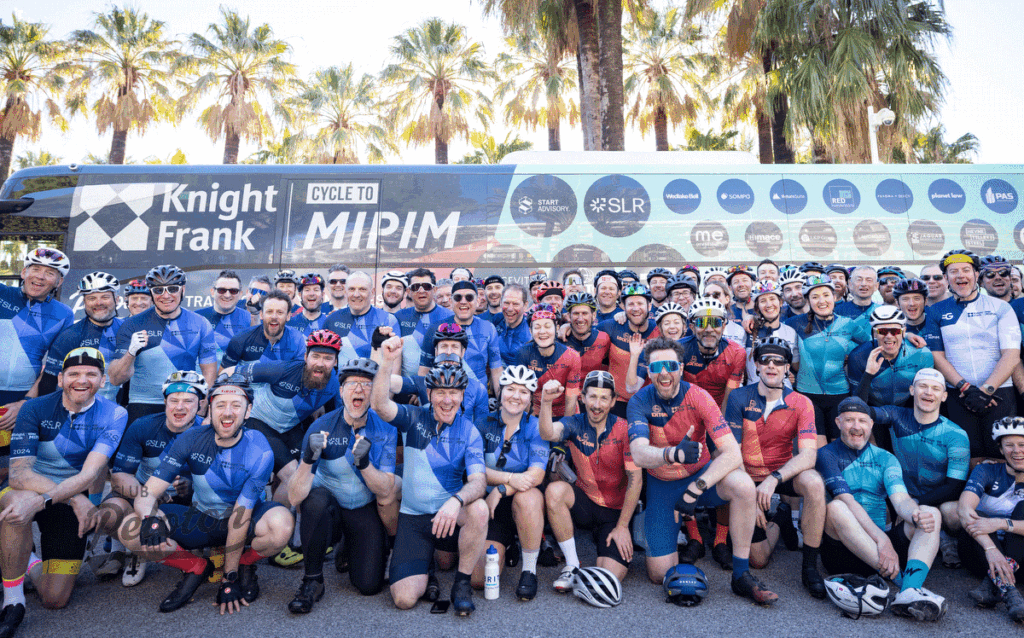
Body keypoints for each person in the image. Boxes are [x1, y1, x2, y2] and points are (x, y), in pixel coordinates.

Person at [117, 374, 293, 615]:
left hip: (244, 520)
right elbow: (148, 492)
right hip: (203, 517)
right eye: (220, 405)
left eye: (236, 405)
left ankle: (244, 563)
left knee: (281, 525)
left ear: (248, 411)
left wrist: (229, 577)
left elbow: (240, 518)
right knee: (129, 528)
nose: (227, 413)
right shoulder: (190, 438)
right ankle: (195, 566)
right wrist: (151, 518)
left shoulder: (259, 449)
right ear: (209, 408)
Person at [627, 337, 779, 605]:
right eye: (656, 367)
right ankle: (674, 532)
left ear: (681, 368)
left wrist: (696, 488)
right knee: (659, 574)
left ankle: (741, 575)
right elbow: (638, 454)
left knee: (743, 484)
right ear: (648, 371)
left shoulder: (698, 396)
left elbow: (732, 453)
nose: (664, 372)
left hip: (700, 477)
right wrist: (672, 454)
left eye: (670, 365)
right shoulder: (639, 400)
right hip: (663, 485)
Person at [0, 347, 126, 636]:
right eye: (73, 374)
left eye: (91, 374)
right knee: (18, 507)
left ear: (103, 380)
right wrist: (75, 498)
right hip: (30, 490)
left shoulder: (115, 413)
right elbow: (19, 474)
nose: (81, 380)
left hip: (68, 496)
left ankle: (29, 560)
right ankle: (13, 601)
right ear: (60, 379)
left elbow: (90, 474)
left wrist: (81, 500)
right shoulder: (35, 407)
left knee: (54, 598)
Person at [372, 337, 489, 615]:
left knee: (479, 510)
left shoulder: (469, 431)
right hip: (414, 518)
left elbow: (479, 481)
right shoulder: (413, 417)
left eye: (454, 393)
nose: (447, 400)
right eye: (440, 392)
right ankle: (426, 565)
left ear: (462, 395)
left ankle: (461, 583)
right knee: (404, 599)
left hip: (448, 515)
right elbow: (380, 405)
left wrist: (456, 501)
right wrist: (387, 362)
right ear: (429, 393)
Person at [817, 396, 948, 622]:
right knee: (837, 507)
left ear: (871, 424)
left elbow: (901, 499)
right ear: (838, 422)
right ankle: (900, 581)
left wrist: (915, 514)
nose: (856, 426)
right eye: (849, 420)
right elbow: (848, 501)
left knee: (931, 514)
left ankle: (909, 591)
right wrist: (882, 540)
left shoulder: (886, 458)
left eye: (862, 421)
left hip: (884, 552)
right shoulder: (827, 454)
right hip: (843, 552)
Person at [286, 358, 398, 612]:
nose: (359, 389)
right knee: (314, 501)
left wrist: (365, 464)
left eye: (366, 384)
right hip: (329, 510)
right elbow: (294, 498)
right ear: (341, 390)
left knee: (369, 585)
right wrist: (308, 460)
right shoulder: (322, 426)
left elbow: (385, 490)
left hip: (361, 507)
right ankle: (312, 580)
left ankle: (349, 546)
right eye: (352, 384)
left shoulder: (386, 428)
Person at [725, 338, 826, 598]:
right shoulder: (738, 397)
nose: (772, 365)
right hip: (747, 476)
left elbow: (809, 455)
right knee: (758, 560)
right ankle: (781, 517)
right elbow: (731, 452)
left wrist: (773, 479)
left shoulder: (801, 402)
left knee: (814, 482)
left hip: (780, 475)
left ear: (787, 368)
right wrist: (750, 497)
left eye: (779, 361)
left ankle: (810, 567)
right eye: (765, 360)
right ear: (757, 366)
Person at [98, 370, 207, 588]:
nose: (179, 407)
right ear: (165, 402)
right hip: (144, 492)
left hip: (192, 499)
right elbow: (120, 475)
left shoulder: (208, 432)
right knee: (109, 513)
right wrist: (150, 496)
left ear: (201, 405)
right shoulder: (143, 426)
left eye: (188, 401)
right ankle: (137, 551)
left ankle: (190, 549)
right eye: (174, 400)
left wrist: (193, 488)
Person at [540, 371, 641, 588]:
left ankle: (608, 539)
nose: (597, 404)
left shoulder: (625, 429)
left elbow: (636, 479)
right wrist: (546, 403)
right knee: (555, 491)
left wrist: (623, 526)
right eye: (592, 396)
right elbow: (548, 433)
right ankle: (572, 564)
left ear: (613, 401)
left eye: (604, 398)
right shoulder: (575, 422)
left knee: (608, 578)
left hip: (614, 513)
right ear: (582, 397)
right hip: (585, 504)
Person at [862, 368, 970, 570]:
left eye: (935, 389)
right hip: (904, 496)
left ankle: (948, 536)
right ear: (912, 390)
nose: (928, 392)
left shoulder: (956, 434)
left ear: (944, 396)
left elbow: (954, 486)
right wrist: (868, 375)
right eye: (923, 386)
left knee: (952, 513)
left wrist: (914, 504)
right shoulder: (896, 415)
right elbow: (859, 411)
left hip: (938, 499)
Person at [924, 250, 1020, 462]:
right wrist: (965, 388)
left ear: (976, 274)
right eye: (953, 271)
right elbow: (937, 355)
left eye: (966, 270)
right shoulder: (936, 311)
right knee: (968, 456)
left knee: (1003, 455)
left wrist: (986, 391)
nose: (960, 275)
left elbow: (1012, 355)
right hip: (959, 394)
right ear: (946, 278)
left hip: (999, 392)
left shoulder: (1000, 307)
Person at [225, 329, 341, 506]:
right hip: (258, 422)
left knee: (306, 472)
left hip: (289, 428)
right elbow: (230, 372)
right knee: (292, 475)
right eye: (315, 356)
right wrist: (215, 409)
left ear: (336, 361)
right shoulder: (283, 369)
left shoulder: (335, 383)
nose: (320, 363)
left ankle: (285, 512)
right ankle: (274, 517)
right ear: (305, 357)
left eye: (327, 358)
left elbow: (336, 415)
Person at [470, 365, 548, 600]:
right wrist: (510, 478)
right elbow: (473, 469)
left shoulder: (536, 427)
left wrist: (502, 489)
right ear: (500, 392)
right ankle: (511, 542)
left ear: (530, 399)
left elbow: (536, 475)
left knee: (529, 497)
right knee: (478, 580)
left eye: (523, 392)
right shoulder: (483, 423)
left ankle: (529, 570)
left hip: (522, 499)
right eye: (511, 389)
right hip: (491, 506)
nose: (516, 396)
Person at [107, 265, 217, 424]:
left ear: (182, 290)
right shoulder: (132, 325)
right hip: (143, 403)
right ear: (151, 292)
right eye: (159, 290)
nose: (166, 295)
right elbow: (115, 379)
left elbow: (209, 371)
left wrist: (201, 408)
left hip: (184, 403)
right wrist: (131, 353)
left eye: (172, 289)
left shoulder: (200, 323)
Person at [0, 248, 74, 440]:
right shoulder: (2, 293)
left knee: (9, 456)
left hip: (23, 396)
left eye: (49, 273)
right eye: (35, 269)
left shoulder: (64, 314)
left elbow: (54, 366)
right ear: (24, 272)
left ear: (59, 282)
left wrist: (25, 403)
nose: (40, 276)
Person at [785, 275, 869, 443]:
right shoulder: (795, 323)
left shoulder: (847, 324)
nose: (821, 301)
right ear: (808, 300)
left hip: (839, 394)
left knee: (839, 447)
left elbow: (872, 343)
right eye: (815, 297)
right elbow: (773, 332)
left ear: (834, 297)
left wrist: (907, 335)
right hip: (807, 394)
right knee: (819, 449)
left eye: (826, 295)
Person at [957, 416, 1024, 622]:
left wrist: (1001, 523)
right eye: (1009, 445)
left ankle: (992, 585)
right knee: (979, 514)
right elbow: (964, 509)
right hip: (980, 553)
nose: (1016, 450)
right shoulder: (986, 469)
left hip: (1019, 557)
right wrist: (991, 549)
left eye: (1022, 444)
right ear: (1001, 450)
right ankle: (1011, 593)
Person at [385, 324, 490, 425]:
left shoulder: (478, 389)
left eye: (454, 347)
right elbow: (386, 382)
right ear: (436, 351)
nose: (448, 352)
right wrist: (387, 358)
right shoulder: (422, 382)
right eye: (444, 346)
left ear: (462, 352)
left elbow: (481, 430)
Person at [40, 272, 123, 401]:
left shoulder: (127, 329)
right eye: (91, 298)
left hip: (119, 407)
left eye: (105, 297)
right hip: (79, 406)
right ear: (84, 302)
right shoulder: (70, 335)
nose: (98, 302)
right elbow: (49, 381)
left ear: (116, 300)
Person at [419, 281, 503, 395]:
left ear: (478, 301)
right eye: (458, 297)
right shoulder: (435, 328)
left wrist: (500, 401)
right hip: (444, 398)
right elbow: (424, 371)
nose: (463, 301)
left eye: (469, 297)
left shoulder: (488, 328)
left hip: (478, 398)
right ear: (451, 301)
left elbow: (496, 370)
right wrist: (425, 399)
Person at [847, 306, 933, 411]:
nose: (889, 336)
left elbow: (928, 397)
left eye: (895, 331)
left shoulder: (922, 354)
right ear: (875, 333)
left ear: (903, 332)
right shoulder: (858, 356)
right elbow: (857, 403)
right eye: (882, 331)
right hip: (873, 410)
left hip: (908, 409)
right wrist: (868, 374)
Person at [597, 283, 660, 418]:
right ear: (623, 307)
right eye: (631, 304)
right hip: (617, 401)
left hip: (650, 402)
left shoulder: (659, 330)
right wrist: (565, 326)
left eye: (640, 303)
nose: (636, 308)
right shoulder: (611, 326)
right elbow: (584, 333)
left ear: (649, 306)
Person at [516, 304, 581, 418]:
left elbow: (571, 399)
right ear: (530, 331)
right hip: (536, 412)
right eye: (537, 327)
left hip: (564, 412)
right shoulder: (523, 353)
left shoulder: (572, 356)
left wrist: (565, 426)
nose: (542, 331)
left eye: (547, 326)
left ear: (556, 328)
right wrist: (528, 421)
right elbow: (523, 395)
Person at [680, 299, 746, 411]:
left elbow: (728, 400)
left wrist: (720, 421)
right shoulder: (678, 349)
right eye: (701, 323)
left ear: (723, 327)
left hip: (718, 409)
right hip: (687, 409)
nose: (709, 329)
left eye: (716, 323)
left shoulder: (736, 353)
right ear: (692, 328)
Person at [221, 290, 306, 369]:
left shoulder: (297, 340)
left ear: (288, 316)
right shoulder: (241, 338)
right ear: (261, 314)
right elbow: (223, 374)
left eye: (280, 312)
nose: (274, 317)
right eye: (269, 312)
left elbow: (301, 374)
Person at [324, 271, 399, 359]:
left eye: (362, 289)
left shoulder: (388, 320)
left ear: (372, 292)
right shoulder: (332, 319)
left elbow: (395, 361)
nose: (356, 295)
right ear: (345, 291)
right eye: (351, 289)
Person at [394, 268, 454, 376]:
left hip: (440, 382)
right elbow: (394, 357)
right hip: (405, 384)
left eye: (426, 286)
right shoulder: (399, 316)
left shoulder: (450, 317)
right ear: (408, 292)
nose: (421, 291)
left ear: (434, 290)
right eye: (415, 287)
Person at [743, 279, 799, 385]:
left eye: (772, 299)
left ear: (781, 302)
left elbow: (796, 367)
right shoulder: (748, 329)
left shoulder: (791, 332)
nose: (768, 304)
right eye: (763, 301)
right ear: (757, 307)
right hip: (753, 392)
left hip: (783, 391)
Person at [197, 270, 252, 365]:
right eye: (222, 290)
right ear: (212, 292)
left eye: (233, 291)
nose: (227, 295)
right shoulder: (196, 318)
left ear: (240, 294)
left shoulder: (250, 320)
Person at [562, 292, 610, 378]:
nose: (580, 319)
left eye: (585, 313)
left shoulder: (604, 339)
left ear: (594, 315)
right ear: (569, 316)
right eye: (576, 313)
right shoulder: (560, 340)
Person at [491, 284, 531, 368]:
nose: (510, 309)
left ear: (525, 305)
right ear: (501, 302)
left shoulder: (531, 330)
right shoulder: (497, 319)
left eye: (515, 304)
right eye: (506, 303)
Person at [287, 273, 330, 339]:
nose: (311, 294)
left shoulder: (329, 323)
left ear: (322, 294)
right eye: (307, 290)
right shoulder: (289, 324)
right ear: (300, 295)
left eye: (316, 290)